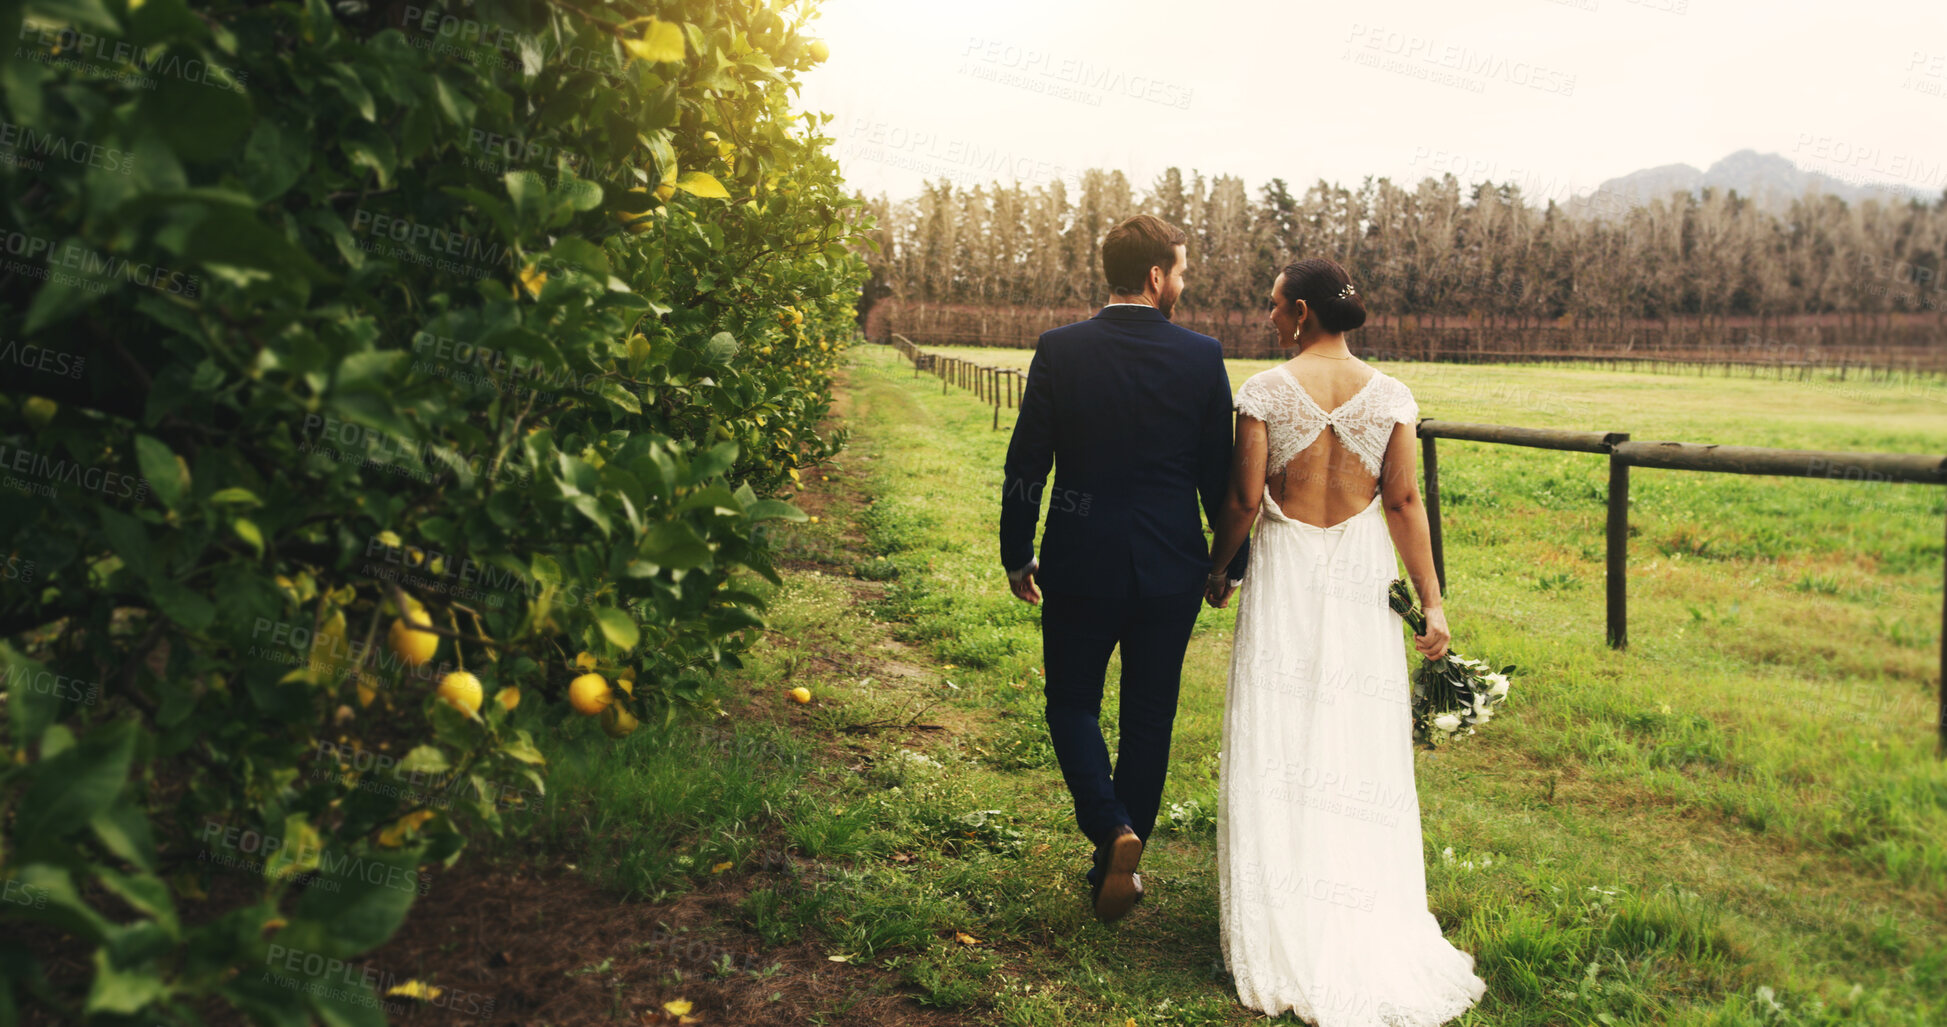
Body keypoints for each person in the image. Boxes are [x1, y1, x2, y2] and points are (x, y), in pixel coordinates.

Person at [1203, 256, 1487, 1024]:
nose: (1267, 318)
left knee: (1281, 729)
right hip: (1359, 579)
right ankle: (1356, 897)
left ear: (1298, 311)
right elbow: (1401, 501)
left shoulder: (1263, 391)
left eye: (1272, 306)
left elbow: (1240, 495)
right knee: (1353, 734)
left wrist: (1219, 566)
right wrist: (1431, 602)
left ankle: (1286, 907)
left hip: (1289, 573)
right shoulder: (1390, 395)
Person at [999, 214, 1249, 924]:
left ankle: (1111, 831)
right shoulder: (1202, 356)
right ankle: (1118, 856)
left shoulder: (1058, 349)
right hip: (1170, 569)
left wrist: (1017, 549)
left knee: (1071, 702)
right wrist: (1228, 563)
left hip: (1080, 561)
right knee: (1148, 718)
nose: (1183, 283)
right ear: (1153, 277)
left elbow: (1027, 465)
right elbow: (1218, 477)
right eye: (1181, 271)